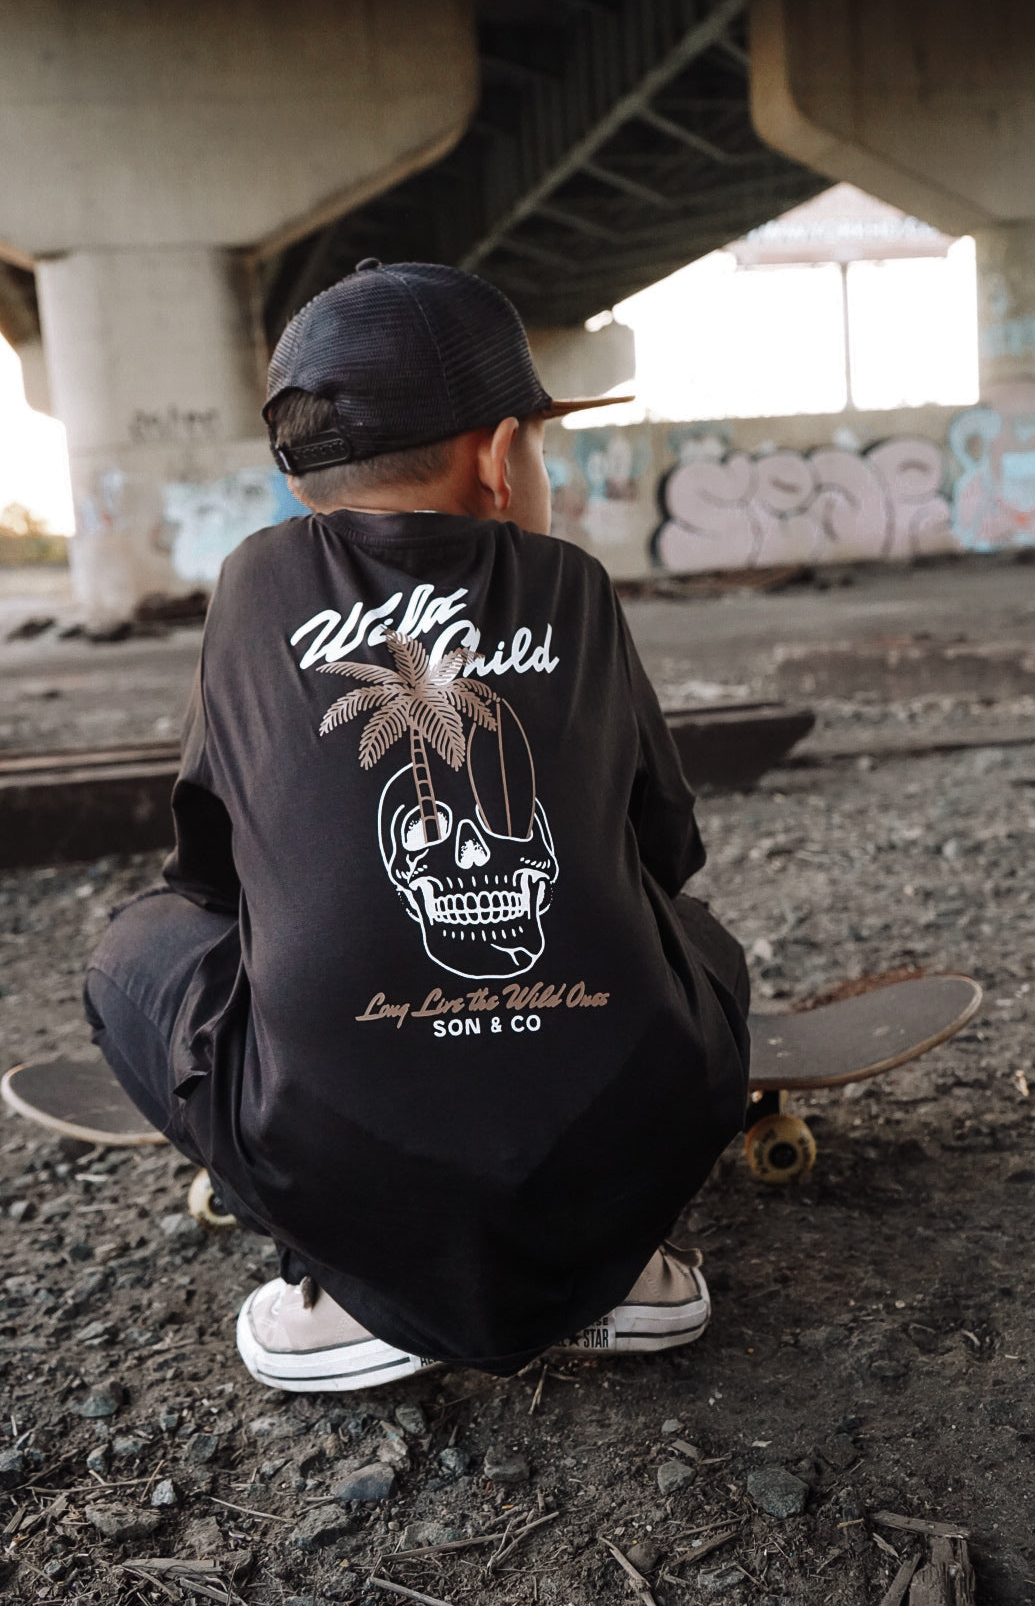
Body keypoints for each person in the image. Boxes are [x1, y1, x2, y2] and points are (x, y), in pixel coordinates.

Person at [84, 261, 750, 1392]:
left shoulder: (252, 588)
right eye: (540, 447)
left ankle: (345, 1295)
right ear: (498, 456)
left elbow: (207, 873)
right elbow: (666, 850)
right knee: (699, 941)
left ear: (305, 480)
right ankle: (625, 1265)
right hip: (626, 1113)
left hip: (329, 1145)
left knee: (129, 951)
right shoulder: (577, 586)